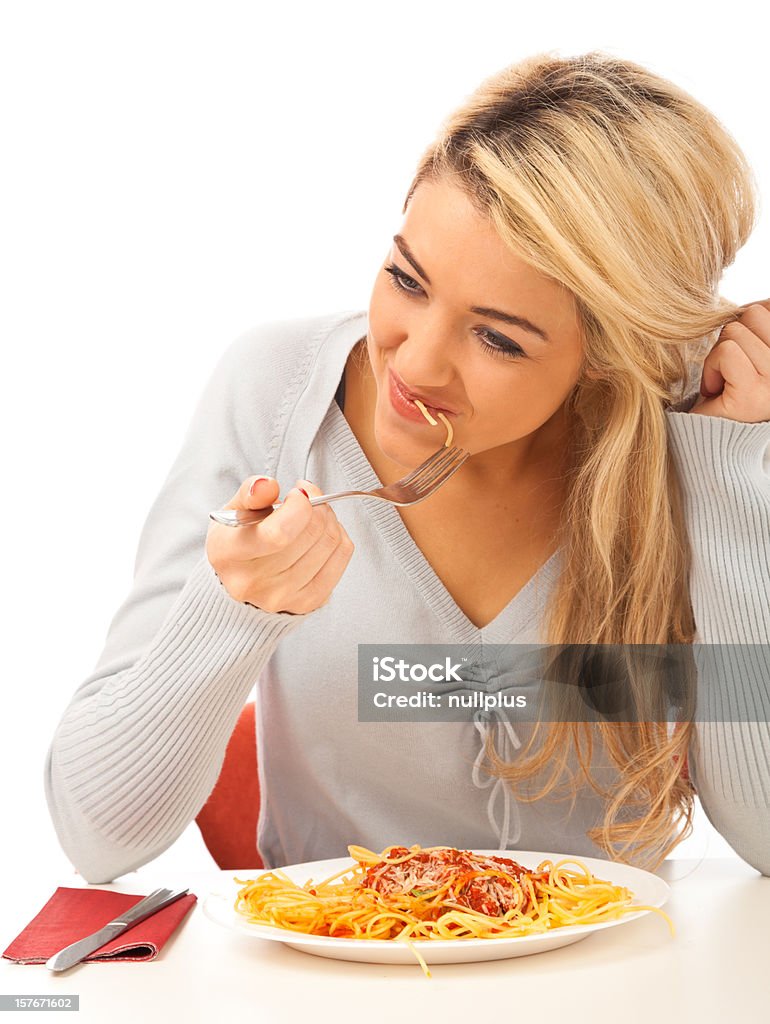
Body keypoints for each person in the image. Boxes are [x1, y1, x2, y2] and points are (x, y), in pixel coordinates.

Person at [45, 51, 770, 884]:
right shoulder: (276, 393)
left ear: (609, 354)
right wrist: (233, 608)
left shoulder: (697, 429)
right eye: (406, 279)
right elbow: (95, 836)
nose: (415, 367)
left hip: (622, 988)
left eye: (498, 337)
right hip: (330, 985)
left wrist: (727, 479)